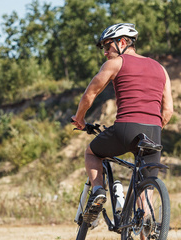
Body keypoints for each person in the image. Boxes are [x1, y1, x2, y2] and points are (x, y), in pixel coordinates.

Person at [71, 23, 174, 224]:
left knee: (92, 153)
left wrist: (80, 118)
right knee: (146, 190)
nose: (105, 52)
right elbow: (168, 110)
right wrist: (153, 127)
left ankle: (99, 191)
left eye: (108, 46)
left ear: (123, 42)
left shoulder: (116, 63)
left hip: (126, 128)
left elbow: (90, 94)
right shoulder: (161, 69)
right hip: (154, 131)